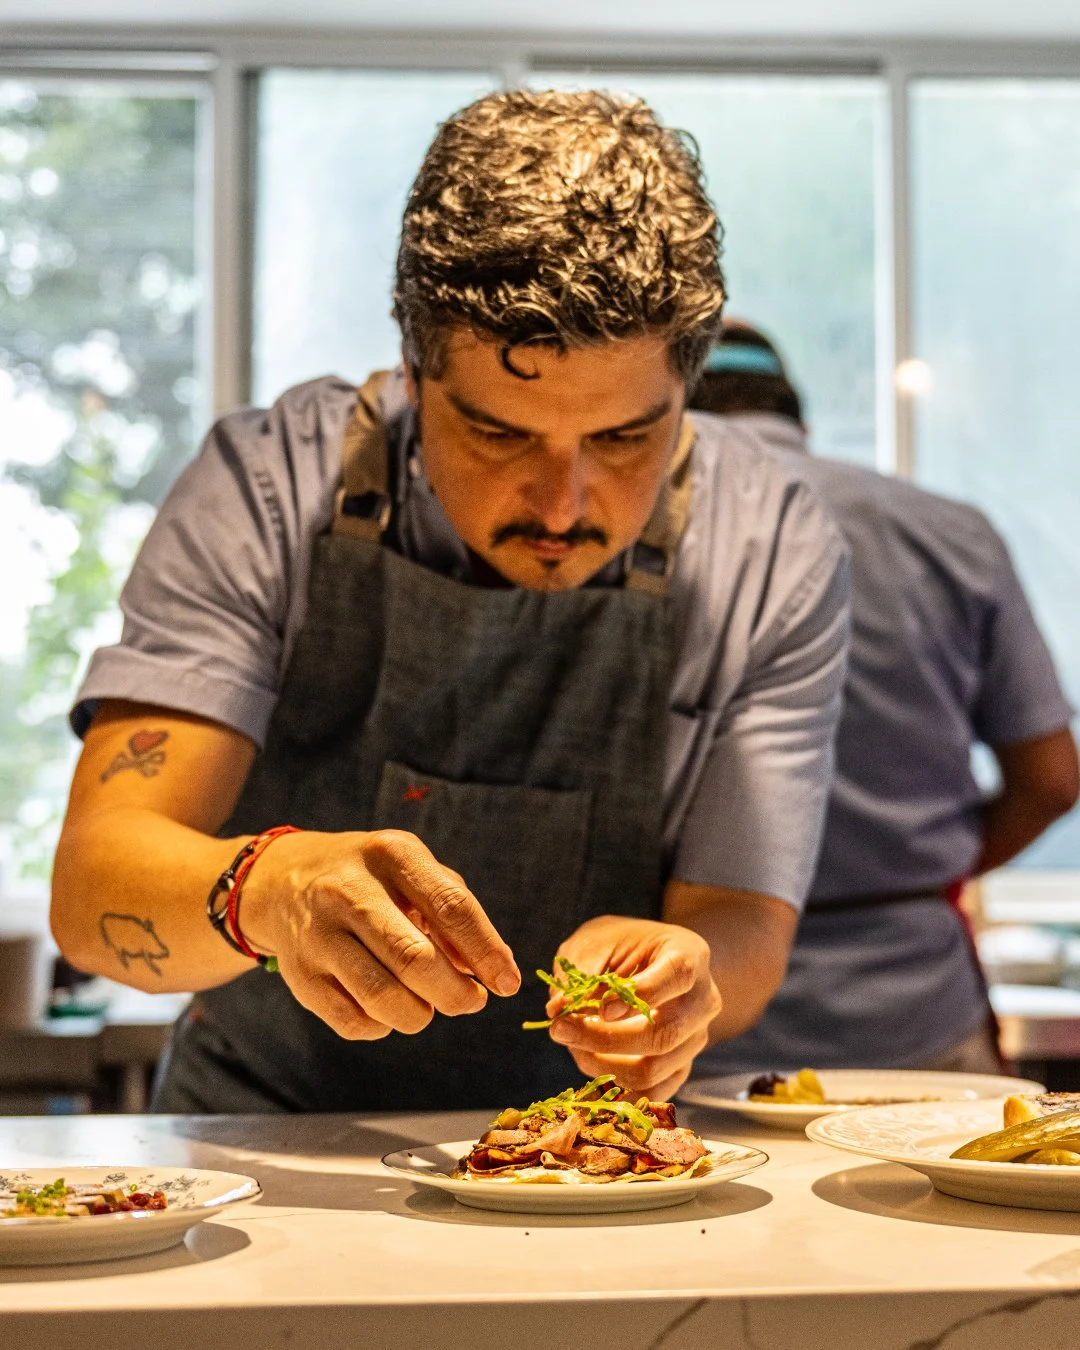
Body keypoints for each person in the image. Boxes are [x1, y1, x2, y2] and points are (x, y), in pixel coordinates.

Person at [50, 92, 851, 1113]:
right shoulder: (266, 492)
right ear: (412, 371)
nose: (564, 505)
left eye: (622, 440)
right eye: (501, 435)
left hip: (586, 1154)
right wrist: (270, 890)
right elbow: (91, 896)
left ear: (685, 394)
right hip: (262, 1137)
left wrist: (684, 969)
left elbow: (744, 926)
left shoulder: (770, 546)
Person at [691, 321, 1079, 1074]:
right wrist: (925, 874)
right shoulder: (953, 532)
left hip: (694, 1017)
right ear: (799, 421)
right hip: (915, 1009)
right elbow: (1055, 779)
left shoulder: (630, 537)